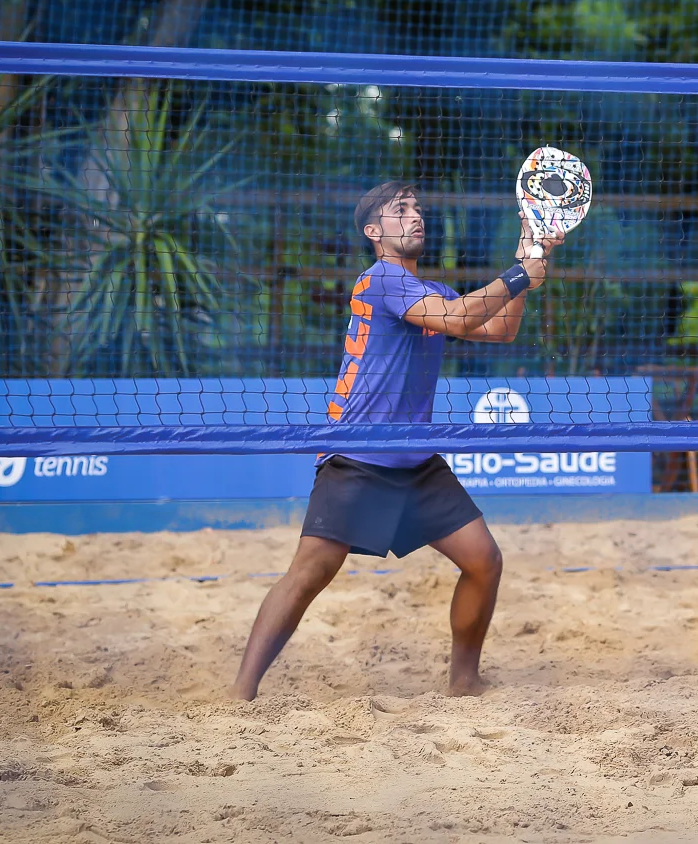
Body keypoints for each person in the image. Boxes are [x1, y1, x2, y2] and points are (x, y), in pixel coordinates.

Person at [229, 180, 561, 700]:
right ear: (373, 231)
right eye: (399, 210)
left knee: (483, 560)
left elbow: (499, 331)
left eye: (418, 208)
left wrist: (527, 263)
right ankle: (240, 691)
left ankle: (465, 680)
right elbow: (459, 317)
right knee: (309, 574)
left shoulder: (429, 291)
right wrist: (518, 274)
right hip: (358, 454)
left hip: (415, 461)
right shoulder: (380, 279)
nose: (415, 216)